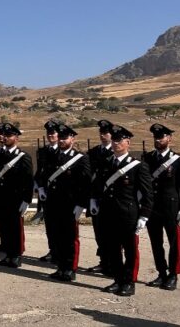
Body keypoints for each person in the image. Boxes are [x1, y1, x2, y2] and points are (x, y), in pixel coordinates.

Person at [90, 124, 153, 296]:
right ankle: (118, 280)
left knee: (130, 250)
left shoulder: (138, 166)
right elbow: (98, 185)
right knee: (113, 249)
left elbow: (148, 194)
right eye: (114, 140)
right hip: (108, 213)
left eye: (119, 141)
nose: (115, 143)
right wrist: (94, 200)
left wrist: (144, 216)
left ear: (128, 143)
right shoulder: (107, 163)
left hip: (127, 214)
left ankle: (129, 282)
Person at [37, 124, 90, 282]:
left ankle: (70, 269)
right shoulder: (51, 156)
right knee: (57, 236)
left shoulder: (80, 158)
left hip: (70, 204)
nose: (61, 140)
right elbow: (44, 174)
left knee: (70, 238)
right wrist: (41, 188)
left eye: (64, 138)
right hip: (53, 202)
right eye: (59, 137)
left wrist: (81, 204)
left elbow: (85, 183)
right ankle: (60, 267)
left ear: (72, 139)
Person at [143, 123, 180, 291]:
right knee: (156, 243)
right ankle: (161, 273)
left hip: (171, 207)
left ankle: (173, 275)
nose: (158, 140)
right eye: (155, 138)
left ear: (169, 138)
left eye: (161, 137)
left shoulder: (179, 160)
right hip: (153, 208)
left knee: (174, 243)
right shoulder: (148, 158)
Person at [0, 122, 33, 268]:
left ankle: (16, 256)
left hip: (15, 198)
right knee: (5, 226)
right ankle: (8, 254)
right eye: (4, 135)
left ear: (16, 138)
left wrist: (26, 200)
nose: (5, 138)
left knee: (15, 228)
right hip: (1, 197)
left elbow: (28, 180)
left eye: (9, 135)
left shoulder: (23, 157)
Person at [86, 119, 114, 275]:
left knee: (112, 234)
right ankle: (103, 262)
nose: (103, 136)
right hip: (96, 198)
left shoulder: (115, 153)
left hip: (111, 199)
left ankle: (113, 264)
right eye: (101, 133)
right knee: (99, 233)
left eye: (106, 133)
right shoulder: (94, 152)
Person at [34, 120, 60, 263]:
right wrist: (39, 186)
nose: (51, 136)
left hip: (60, 194)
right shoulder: (42, 151)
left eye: (53, 133)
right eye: (48, 133)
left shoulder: (62, 151)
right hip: (46, 193)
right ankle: (52, 250)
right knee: (49, 225)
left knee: (60, 225)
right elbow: (40, 172)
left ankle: (60, 252)